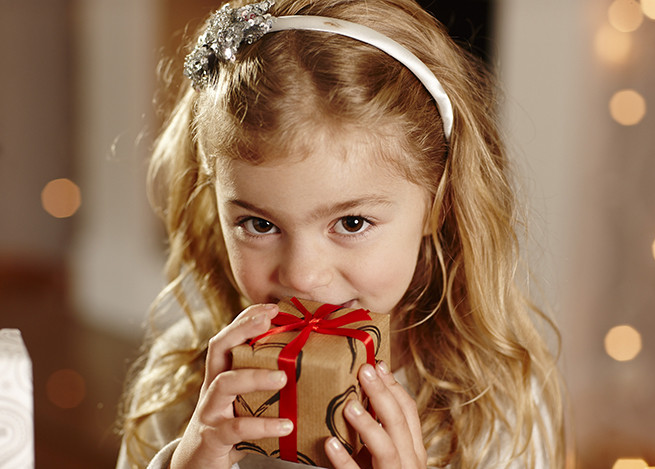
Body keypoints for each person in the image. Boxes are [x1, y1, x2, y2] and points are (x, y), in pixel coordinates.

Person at [116, 0, 565, 467]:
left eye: (352, 223)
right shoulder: (193, 381)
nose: (304, 276)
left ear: (438, 206)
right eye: (259, 224)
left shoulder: (494, 403)